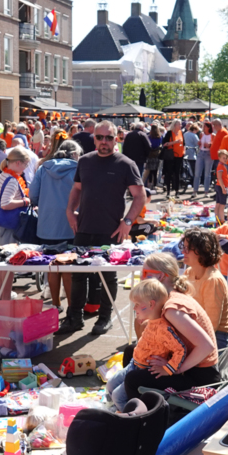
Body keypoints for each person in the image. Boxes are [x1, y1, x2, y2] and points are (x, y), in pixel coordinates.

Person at [59, 120, 147, 337]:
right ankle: (74, 317)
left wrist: (127, 222)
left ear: (116, 138)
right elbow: (77, 189)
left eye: (109, 137)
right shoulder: (85, 161)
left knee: (107, 275)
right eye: (100, 137)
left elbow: (140, 196)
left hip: (110, 230)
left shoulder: (125, 164)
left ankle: (105, 317)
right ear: (94, 138)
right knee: (78, 274)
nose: (104, 142)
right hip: (84, 227)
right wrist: (70, 210)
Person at [122, 278, 218, 401]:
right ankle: (125, 398)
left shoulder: (171, 309)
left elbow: (207, 346)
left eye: (147, 274)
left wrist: (174, 369)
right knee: (131, 351)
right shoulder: (170, 298)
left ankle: (139, 415)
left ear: (161, 276)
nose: (143, 277)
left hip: (199, 376)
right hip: (189, 364)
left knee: (133, 379)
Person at [30, 140, 80, 309]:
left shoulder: (44, 168)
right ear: (75, 154)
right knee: (68, 267)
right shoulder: (77, 169)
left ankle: (56, 303)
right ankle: (73, 308)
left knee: (52, 266)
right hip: (71, 223)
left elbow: (33, 195)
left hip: (47, 223)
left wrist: (42, 204)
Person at [182, 227, 228, 349]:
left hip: (214, 338)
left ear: (202, 250)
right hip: (195, 329)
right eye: (183, 247)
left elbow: (210, 325)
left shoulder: (212, 280)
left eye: (188, 248)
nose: (183, 252)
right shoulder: (189, 272)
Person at [0, 147, 31, 249]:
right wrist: (25, 202)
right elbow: (5, 204)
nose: (25, 168)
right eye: (25, 164)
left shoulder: (2, 175)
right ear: (18, 163)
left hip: (0, 223)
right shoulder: (12, 180)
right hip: (8, 227)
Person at [162, 120, 185, 198]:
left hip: (179, 157)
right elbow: (164, 144)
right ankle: (168, 192)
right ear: (175, 125)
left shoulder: (181, 133)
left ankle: (177, 191)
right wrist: (174, 142)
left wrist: (184, 151)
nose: (181, 126)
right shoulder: (169, 133)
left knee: (177, 174)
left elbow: (184, 144)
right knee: (169, 174)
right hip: (170, 156)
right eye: (179, 124)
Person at [194, 121, 214, 193]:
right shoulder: (201, 134)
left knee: (207, 174)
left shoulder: (212, 135)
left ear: (208, 127)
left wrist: (210, 145)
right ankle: (195, 190)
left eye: (204, 126)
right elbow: (200, 144)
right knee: (197, 173)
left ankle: (206, 191)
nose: (203, 127)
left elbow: (214, 146)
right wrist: (199, 143)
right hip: (201, 152)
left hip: (208, 154)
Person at [214, 149, 228, 224]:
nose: (225, 159)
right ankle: (222, 220)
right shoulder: (221, 166)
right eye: (223, 157)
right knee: (222, 205)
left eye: (226, 157)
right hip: (221, 187)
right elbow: (220, 178)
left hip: (218, 186)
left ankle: (217, 219)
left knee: (218, 204)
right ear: (219, 158)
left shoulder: (221, 165)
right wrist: (224, 188)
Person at [144, 124, 163, 189]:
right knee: (155, 171)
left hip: (150, 155)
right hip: (156, 155)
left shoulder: (148, 136)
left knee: (149, 170)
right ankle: (154, 184)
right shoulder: (160, 137)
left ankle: (149, 184)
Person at [184, 122, 199, 192]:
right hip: (192, 154)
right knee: (194, 169)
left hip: (184, 153)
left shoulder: (185, 134)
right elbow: (198, 143)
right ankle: (193, 182)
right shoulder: (194, 135)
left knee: (185, 168)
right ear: (194, 129)